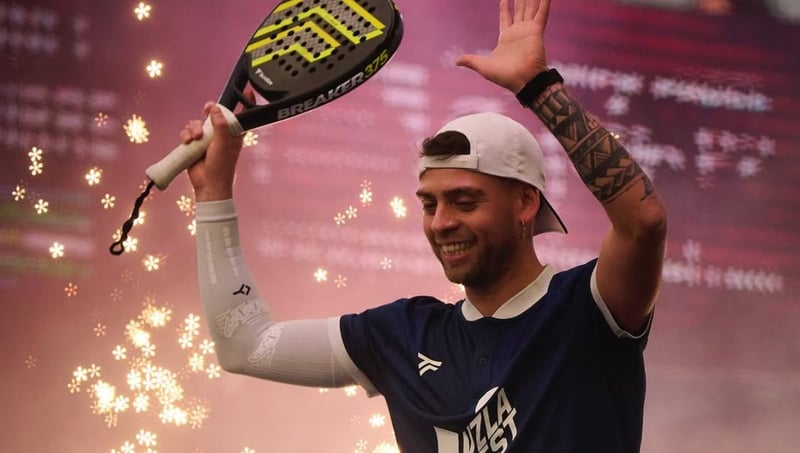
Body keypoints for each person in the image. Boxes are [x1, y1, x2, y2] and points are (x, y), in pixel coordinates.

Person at [183, 0, 667, 451]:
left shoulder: (587, 307)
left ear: (525, 203)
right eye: (429, 204)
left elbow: (644, 221)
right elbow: (245, 345)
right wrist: (213, 194)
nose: (441, 223)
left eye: (464, 201)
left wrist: (538, 87)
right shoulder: (403, 334)